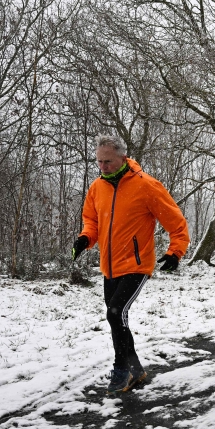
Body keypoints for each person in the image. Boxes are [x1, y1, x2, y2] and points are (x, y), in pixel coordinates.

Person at [71, 135, 190, 394]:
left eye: (108, 161)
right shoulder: (96, 188)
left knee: (115, 314)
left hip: (136, 265)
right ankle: (137, 371)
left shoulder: (146, 186)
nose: (103, 166)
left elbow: (176, 222)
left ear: (123, 158)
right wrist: (85, 239)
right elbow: (92, 221)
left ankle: (121, 370)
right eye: (99, 161)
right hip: (109, 266)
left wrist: (175, 252)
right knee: (119, 320)